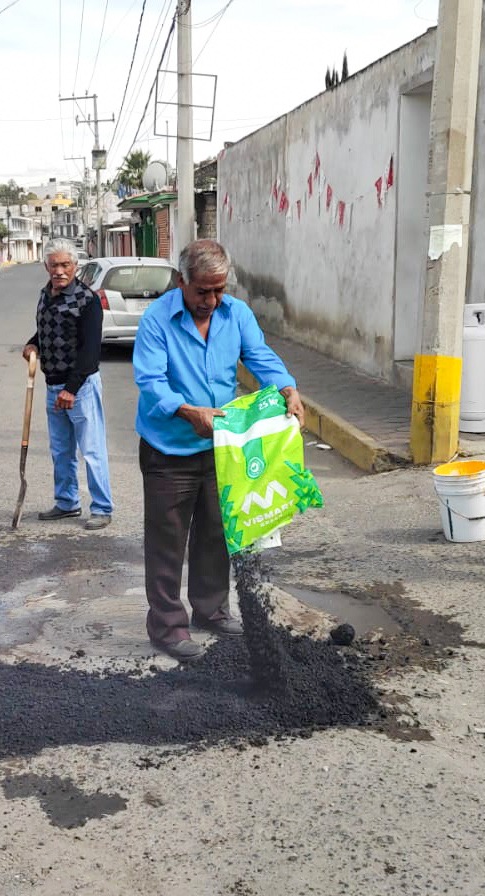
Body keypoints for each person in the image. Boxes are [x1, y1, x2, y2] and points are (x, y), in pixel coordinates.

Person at [133, 239, 304, 661]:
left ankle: (209, 610)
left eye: (219, 290)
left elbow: (260, 356)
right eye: (202, 291)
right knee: (168, 541)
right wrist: (188, 411)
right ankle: (167, 626)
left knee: (215, 532)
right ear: (181, 282)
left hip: (221, 446)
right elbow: (151, 382)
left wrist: (288, 388)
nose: (211, 300)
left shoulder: (237, 314)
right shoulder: (157, 321)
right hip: (168, 449)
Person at [22, 238, 114, 530]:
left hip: (80, 387)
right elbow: (46, 331)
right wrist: (32, 344)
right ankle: (66, 502)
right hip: (53, 386)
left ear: (75, 266)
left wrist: (70, 390)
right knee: (61, 450)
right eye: (54, 265)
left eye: (65, 265)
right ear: (46, 267)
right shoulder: (45, 295)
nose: (59, 270)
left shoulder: (88, 300)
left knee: (91, 450)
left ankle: (101, 507)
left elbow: (90, 352)